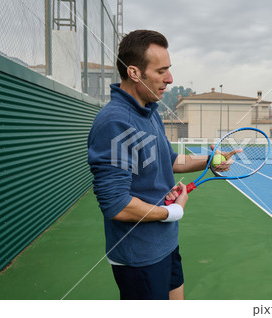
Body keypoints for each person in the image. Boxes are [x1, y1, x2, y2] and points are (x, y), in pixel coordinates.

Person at [87, 30, 231, 300]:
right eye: (161, 70)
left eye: (170, 69)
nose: (170, 78)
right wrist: (172, 212)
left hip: (165, 244)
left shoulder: (150, 112)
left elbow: (171, 160)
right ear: (134, 73)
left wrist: (210, 161)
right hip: (139, 257)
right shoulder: (116, 123)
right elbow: (116, 204)